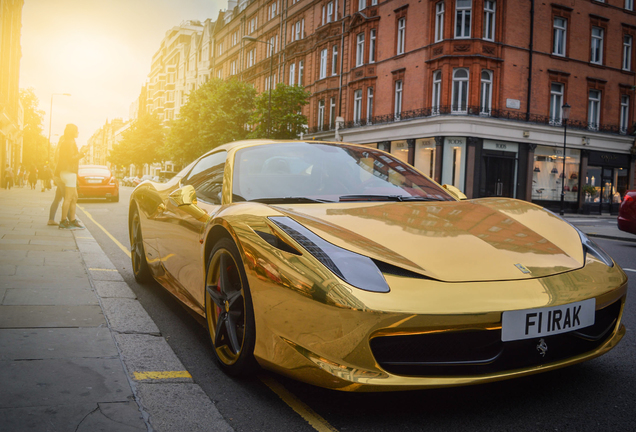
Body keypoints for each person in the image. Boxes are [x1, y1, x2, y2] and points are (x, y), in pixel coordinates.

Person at [55, 124, 86, 230]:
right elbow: (71, 158)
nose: (78, 132)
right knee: (69, 198)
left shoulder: (66, 142)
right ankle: (63, 221)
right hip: (69, 173)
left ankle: (72, 220)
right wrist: (82, 153)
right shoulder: (70, 142)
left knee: (74, 197)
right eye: (76, 131)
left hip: (66, 172)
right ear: (72, 132)